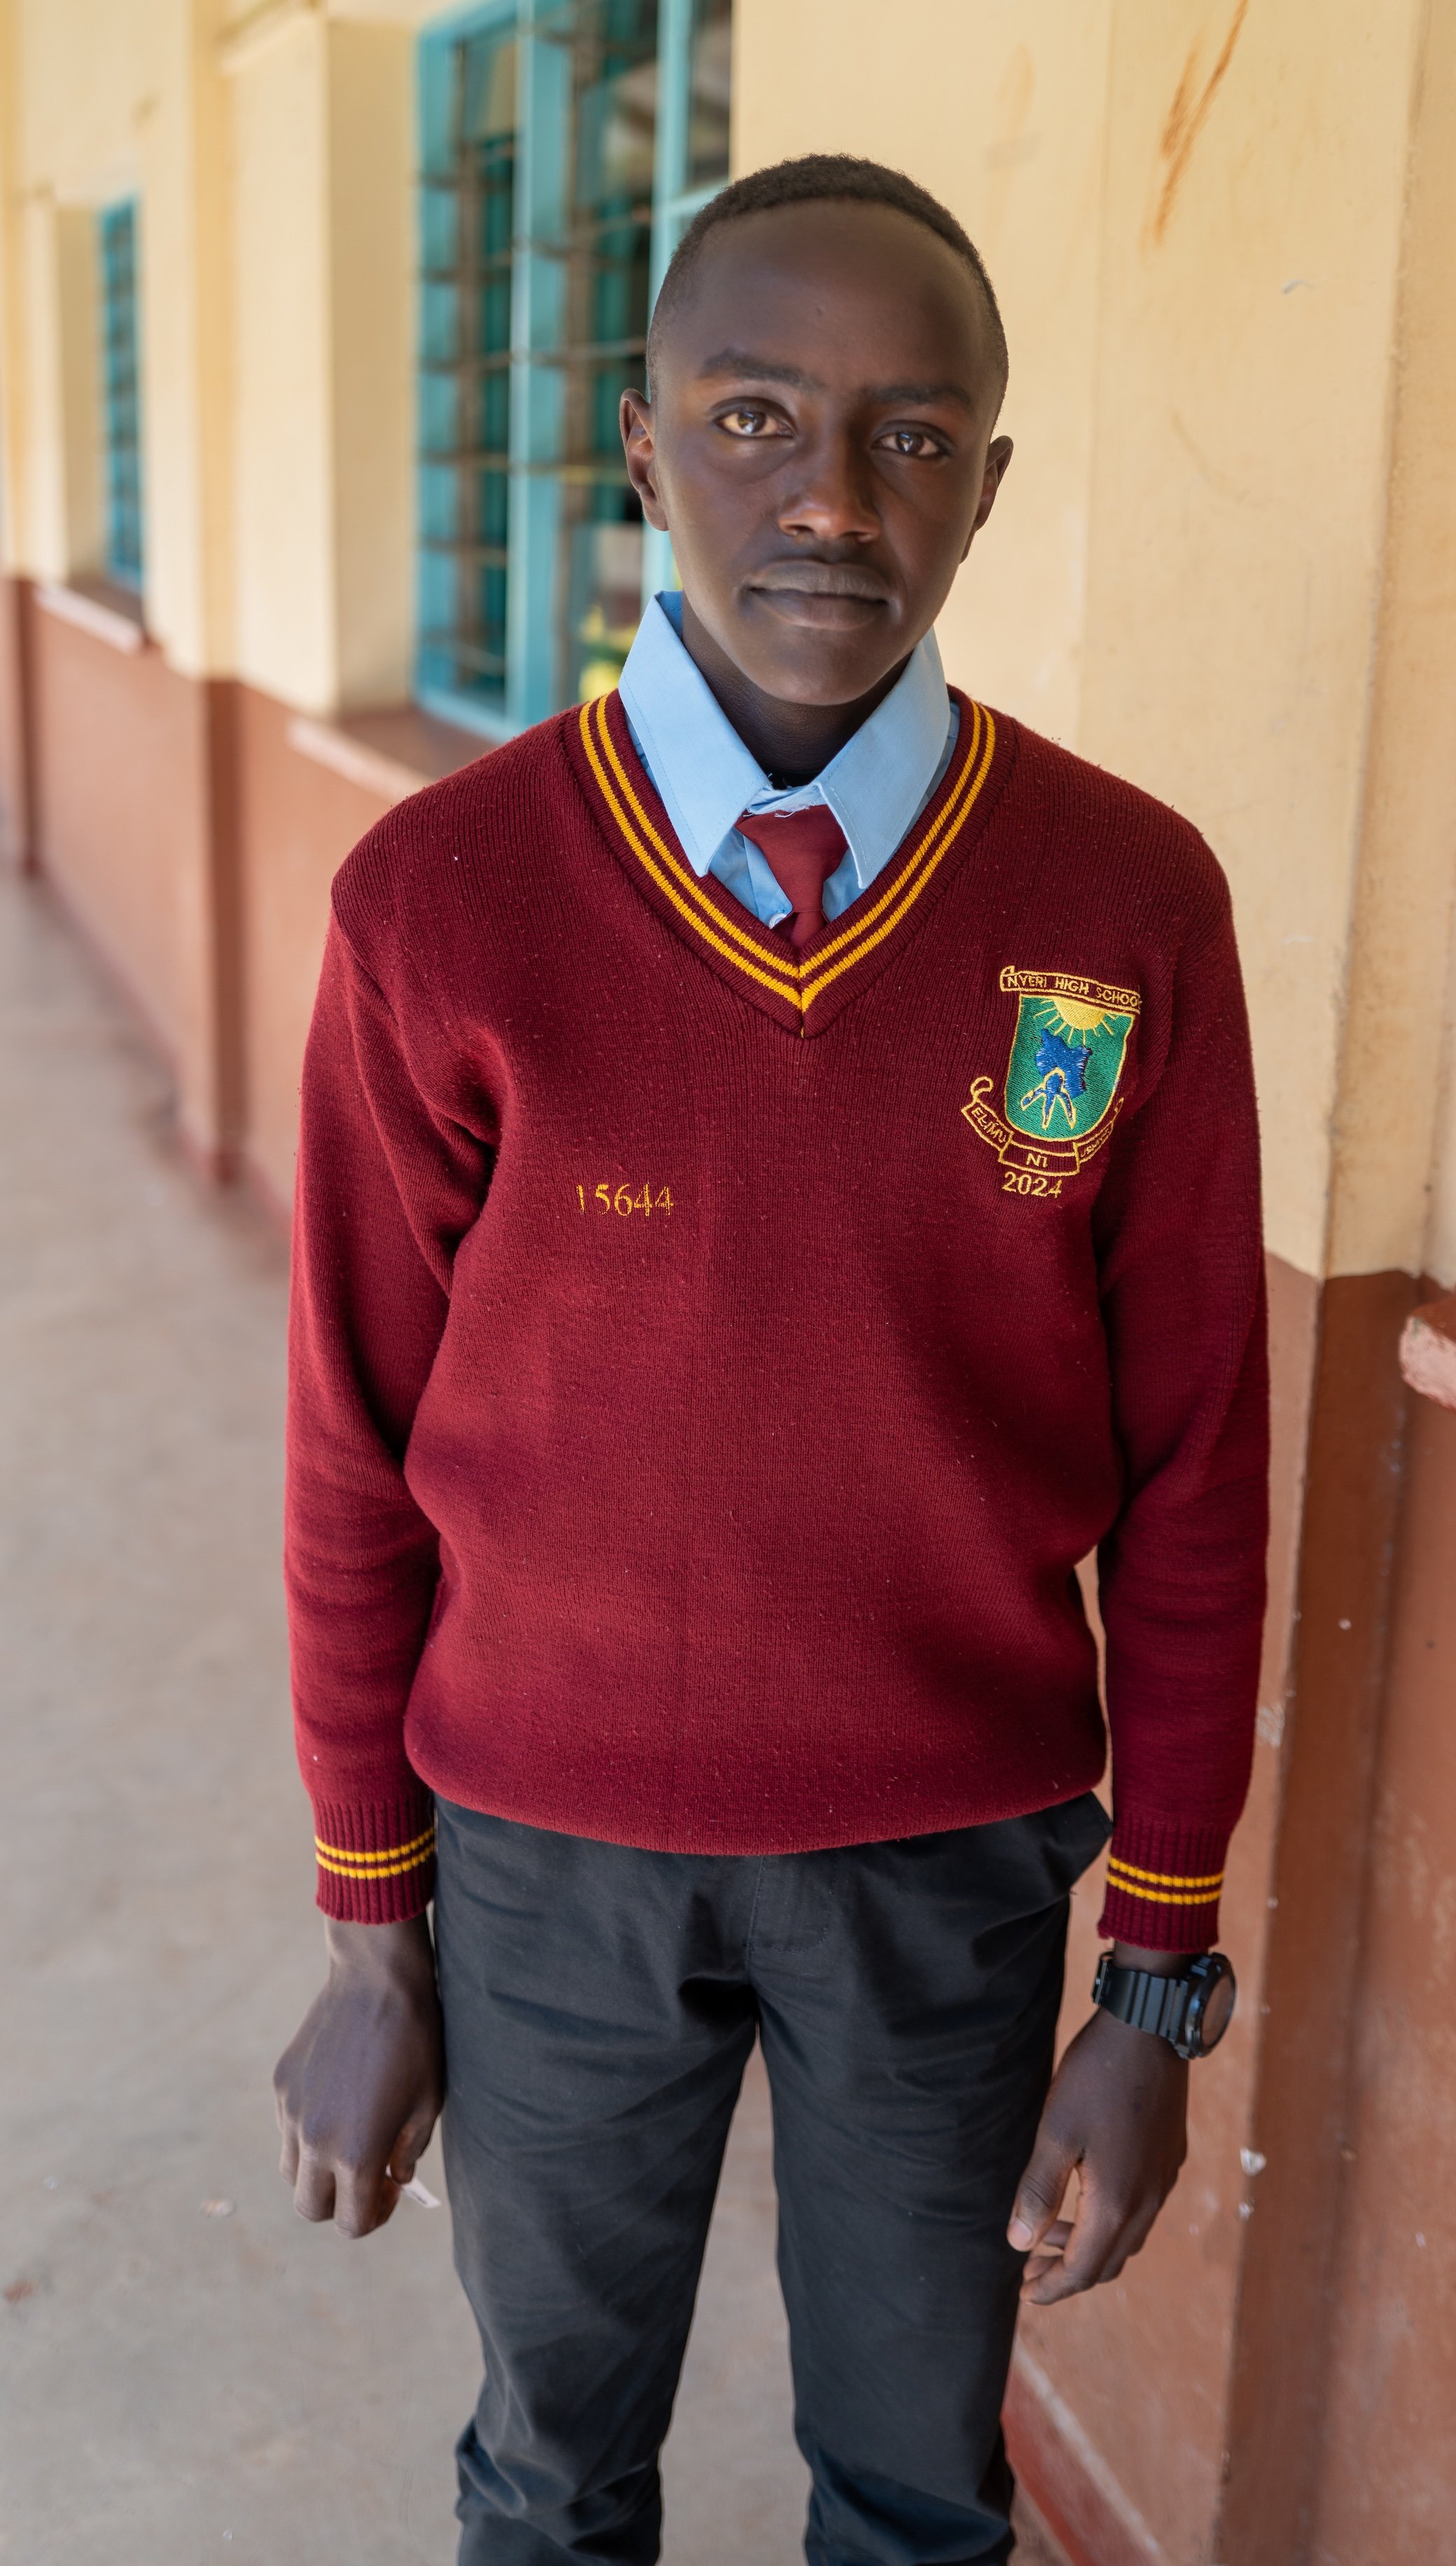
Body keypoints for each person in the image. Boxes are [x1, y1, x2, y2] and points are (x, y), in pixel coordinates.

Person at [274, 154, 1268, 2566]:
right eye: (750, 415)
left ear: (989, 483)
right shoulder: (447, 903)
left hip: (943, 1872)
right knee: (546, 2464)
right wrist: (367, 1917)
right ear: (635, 444)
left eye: (913, 437)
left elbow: (1201, 1474)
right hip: (543, 1868)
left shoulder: (1123, 906)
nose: (829, 499)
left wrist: (1150, 1986)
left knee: (923, 2489)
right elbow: (352, 1445)